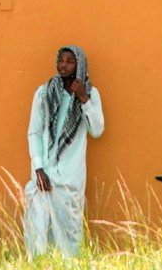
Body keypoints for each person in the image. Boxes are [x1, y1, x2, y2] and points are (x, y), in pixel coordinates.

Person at [23, 44, 104, 257]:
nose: (64, 65)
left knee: (70, 235)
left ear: (79, 65)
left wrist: (83, 98)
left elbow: (97, 130)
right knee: (37, 230)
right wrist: (38, 168)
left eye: (70, 61)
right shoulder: (44, 93)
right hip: (43, 177)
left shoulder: (90, 93)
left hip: (70, 180)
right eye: (61, 60)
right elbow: (34, 132)